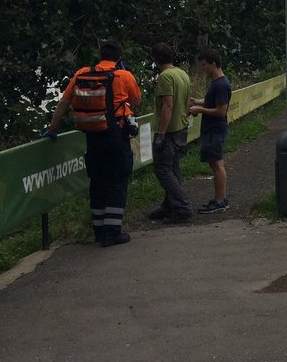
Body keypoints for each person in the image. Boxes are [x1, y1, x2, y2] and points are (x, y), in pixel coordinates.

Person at [43, 39, 142, 248]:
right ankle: (112, 232)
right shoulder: (123, 75)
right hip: (115, 137)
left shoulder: (81, 74)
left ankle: (98, 231)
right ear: (119, 57)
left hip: (92, 137)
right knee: (117, 181)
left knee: (97, 182)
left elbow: (63, 102)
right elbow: (136, 102)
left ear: (100, 55)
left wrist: (53, 128)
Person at [147, 42, 193, 223]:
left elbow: (167, 106)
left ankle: (182, 206)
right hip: (181, 127)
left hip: (169, 131)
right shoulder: (182, 73)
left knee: (163, 170)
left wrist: (160, 133)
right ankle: (170, 205)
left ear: (154, 59)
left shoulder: (165, 77)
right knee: (173, 168)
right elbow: (188, 101)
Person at [188, 48, 231, 213]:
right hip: (212, 129)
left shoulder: (220, 85)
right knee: (214, 163)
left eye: (205, 65)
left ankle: (220, 200)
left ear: (213, 63)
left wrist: (199, 109)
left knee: (217, 164)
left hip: (215, 129)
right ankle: (219, 197)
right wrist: (198, 101)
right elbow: (212, 102)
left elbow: (221, 111)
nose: (203, 68)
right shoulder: (217, 83)